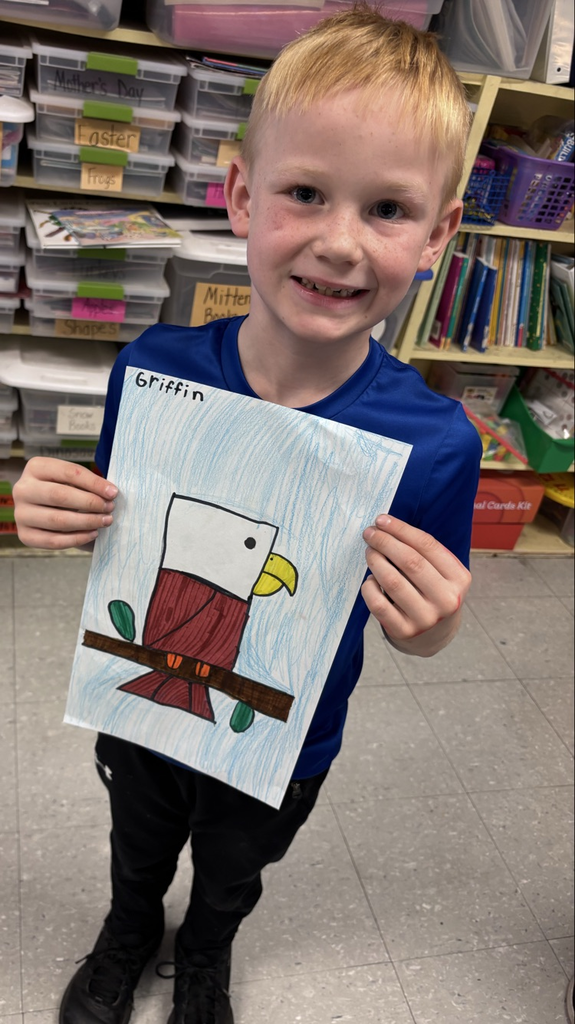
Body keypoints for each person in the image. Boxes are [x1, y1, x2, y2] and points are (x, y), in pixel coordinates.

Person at [13, 6, 483, 1023]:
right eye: (305, 193)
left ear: (439, 233)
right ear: (239, 195)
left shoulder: (434, 440)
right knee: (135, 844)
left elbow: (425, 623)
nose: (338, 242)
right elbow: (114, 525)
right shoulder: (154, 368)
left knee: (233, 868)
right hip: (144, 710)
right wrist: (53, 507)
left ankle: (207, 950)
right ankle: (130, 927)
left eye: (388, 209)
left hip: (285, 737)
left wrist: (435, 620)